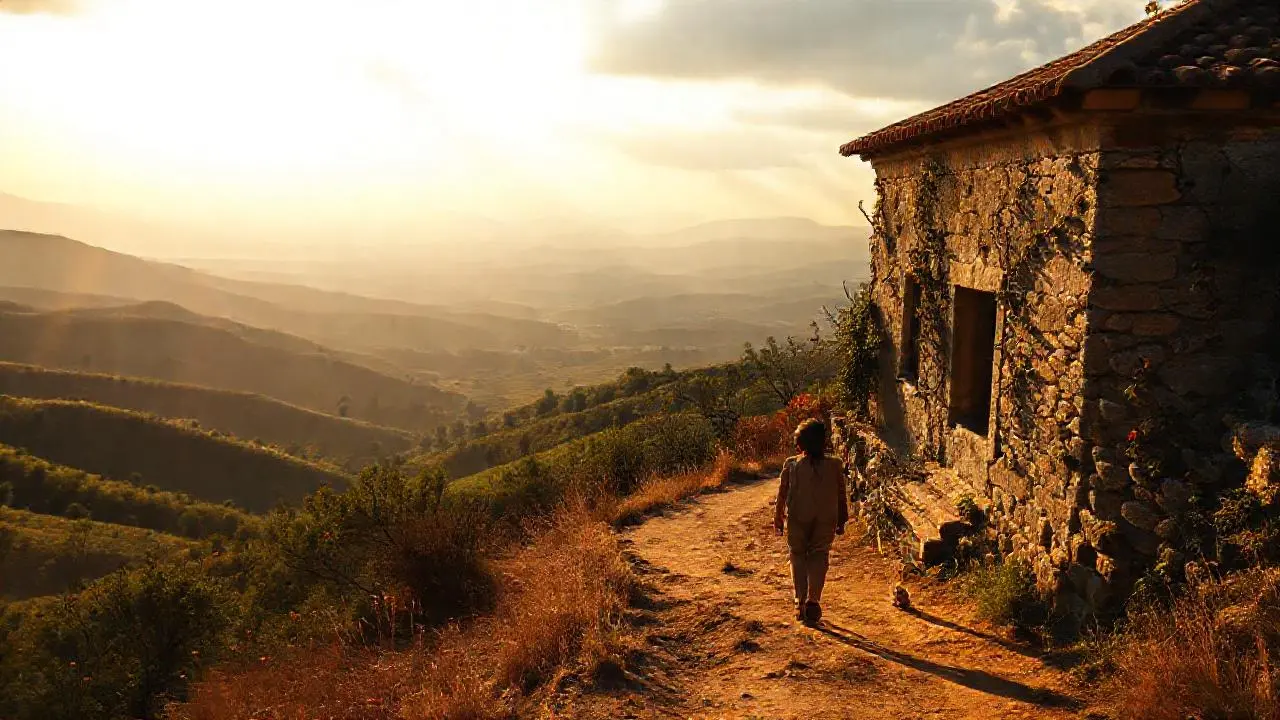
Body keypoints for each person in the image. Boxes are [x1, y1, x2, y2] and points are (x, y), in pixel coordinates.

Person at [773, 418, 848, 626]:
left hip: (798, 516)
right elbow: (842, 494)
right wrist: (843, 517)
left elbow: (781, 495)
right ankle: (813, 599)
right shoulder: (835, 465)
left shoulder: (791, 464)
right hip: (826, 518)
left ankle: (799, 600)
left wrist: (778, 517)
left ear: (800, 445)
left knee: (797, 555)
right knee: (819, 554)